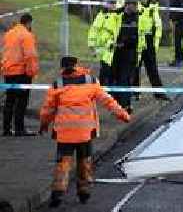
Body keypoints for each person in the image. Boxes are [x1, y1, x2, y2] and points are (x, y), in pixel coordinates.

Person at [39, 56, 130, 207]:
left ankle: (58, 194)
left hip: (65, 133)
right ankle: (84, 192)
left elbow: (47, 110)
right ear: (77, 66)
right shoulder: (91, 82)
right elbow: (108, 101)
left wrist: (43, 125)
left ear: (62, 68)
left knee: (63, 164)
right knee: (84, 162)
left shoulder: (57, 85)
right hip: (85, 133)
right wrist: (123, 115)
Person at [2, 13, 39, 136]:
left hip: (8, 71)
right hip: (21, 72)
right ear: (29, 23)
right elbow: (30, 55)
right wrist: (32, 72)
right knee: (21, 101)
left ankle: (6, 129)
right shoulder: (27, 36)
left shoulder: (9, 34)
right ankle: (19, 128)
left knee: (9, 101)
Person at [107, 0, 144, 113]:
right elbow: (110, 31)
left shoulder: (138, 18)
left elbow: (137, 37)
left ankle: (126, 105)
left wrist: (124, 43)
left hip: (130, 53)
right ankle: (117, 103)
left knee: (126, 79)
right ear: (128, 5)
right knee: (115, 77)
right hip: (116, 53)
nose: (137, 7)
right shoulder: (117, 15)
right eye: (135, 5)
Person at [134, 0, 169, 101]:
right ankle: (135, 92)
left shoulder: (153, 7)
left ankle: (159, 93)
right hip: (138, 40)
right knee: (135, 67)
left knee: (152, 68)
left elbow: (158, 26)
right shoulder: (135, 6)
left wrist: (155, 43)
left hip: (149, 40)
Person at [97, 0, 119, 86]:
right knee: (105, 71)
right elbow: (96, 31)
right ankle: (101, 90)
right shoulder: (101, 15)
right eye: (111, 3)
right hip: (105, 48)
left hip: (116, 48)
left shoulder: (118, 15)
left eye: (114, 3)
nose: (113, 5)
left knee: (113, 72)